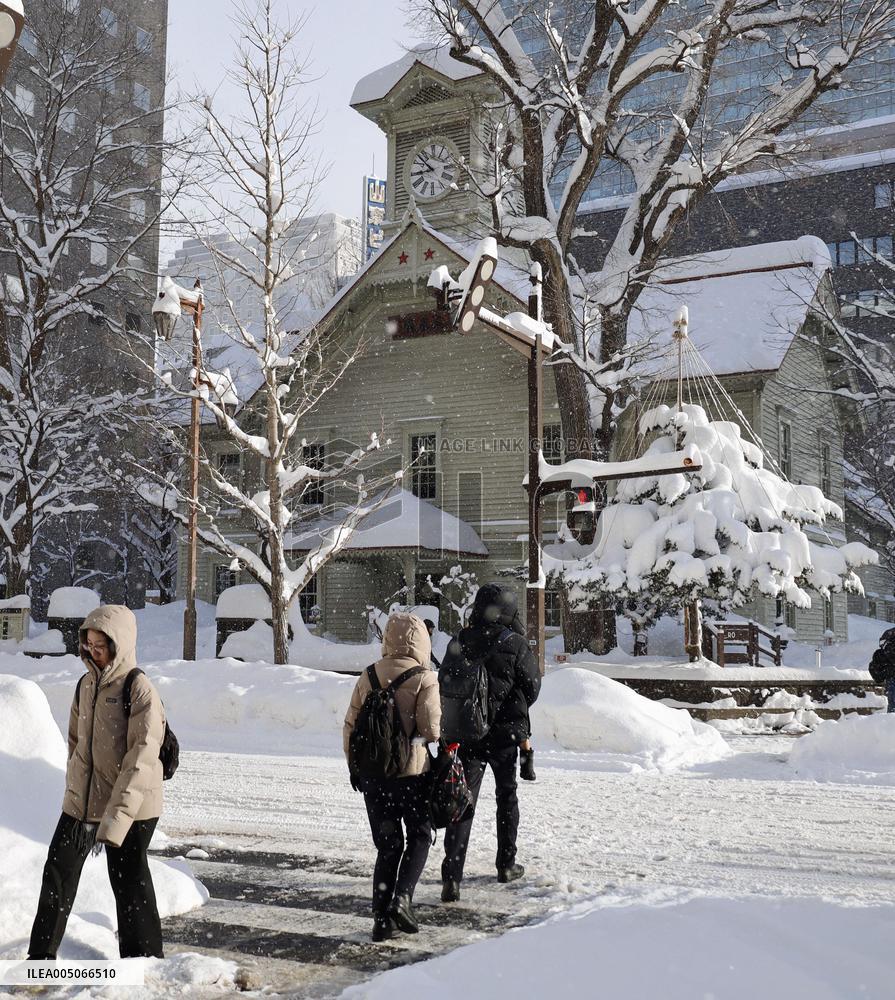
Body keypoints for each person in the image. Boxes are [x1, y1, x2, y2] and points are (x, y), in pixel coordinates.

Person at [28, 606, 166, 961]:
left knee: (129, 884)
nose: (92, 651)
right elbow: (76, 745)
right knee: (57, 873)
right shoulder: (85, 684)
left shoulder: (139, 688)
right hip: (84, 800)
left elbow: (140, 762)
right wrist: (78, 796)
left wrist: (115, 820)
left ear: (119, 644)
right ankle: (39, 959)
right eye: (88, 644)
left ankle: (144, 965)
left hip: (133, 806)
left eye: (100, 645)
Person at [344, 612, 441, 942]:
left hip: (374, 777)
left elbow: (350, 726)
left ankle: (380, 918)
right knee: (419, 835)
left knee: (388, 847)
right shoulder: (425, 678)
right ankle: (402, 898)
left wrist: (354, 767)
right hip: (412, 776)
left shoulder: (368, 675)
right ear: (422, 643)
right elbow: (431, 730)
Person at [440, 583, 541, 902]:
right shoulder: (516, 643)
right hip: (505, 736)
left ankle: (452, 878)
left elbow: (444, 681)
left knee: (463, 803)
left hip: (468, 734)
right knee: (506, 797)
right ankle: (506, 864)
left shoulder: (460, 640)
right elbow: (533, 688)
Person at [869, 627, 895, 712]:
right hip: (891, 678)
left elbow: (876, 674)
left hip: (891, 678)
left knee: (893, 708)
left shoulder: (889, 634)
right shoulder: (889, 634)